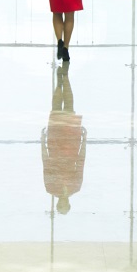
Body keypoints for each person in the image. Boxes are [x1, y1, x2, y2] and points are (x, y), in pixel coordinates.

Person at [42, 65, 85, 214]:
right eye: (64, 206)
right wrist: (84, 140)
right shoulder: (76, 187)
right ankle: (64, 77)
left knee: (56, 107)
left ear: (57, 205)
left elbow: (45, 163)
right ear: (69, 204)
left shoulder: (50, 188)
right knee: (69, 106)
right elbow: (81, 161)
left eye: (60, 206)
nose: (62, 203)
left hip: (54, 144)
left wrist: (42, 142)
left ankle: (59, 81)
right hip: (71, 143)